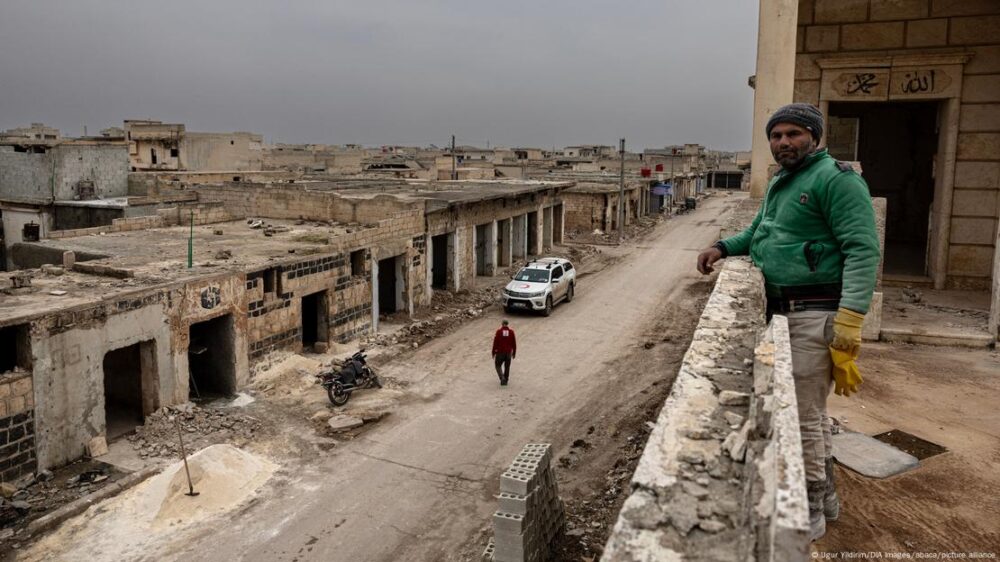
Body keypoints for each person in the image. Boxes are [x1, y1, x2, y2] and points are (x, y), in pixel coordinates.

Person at [696, 103, 879, 541]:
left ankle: (808, 514)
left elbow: (862, 249)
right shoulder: (785, 180)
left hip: (814, 313)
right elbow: (761, 232)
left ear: (814, 136)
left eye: (794, 134)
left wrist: (850, 320)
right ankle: (827, 502)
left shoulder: (837, 179)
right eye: (776, 136)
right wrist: (722, 246)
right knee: (810, 415)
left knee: (803, 418)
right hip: (785, 311)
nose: (783, 143)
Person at [492, 319, 517, 386]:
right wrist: (514, 353)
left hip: (500, 352)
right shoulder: (511, 332)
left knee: (497, 365)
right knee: (507, 366)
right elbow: (514, 343)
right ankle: (506, 380)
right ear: (507, 324)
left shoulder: (499, 332)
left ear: (502, 324)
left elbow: (495, 343)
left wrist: (493, 352)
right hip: (508, 353)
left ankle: (502, 378)